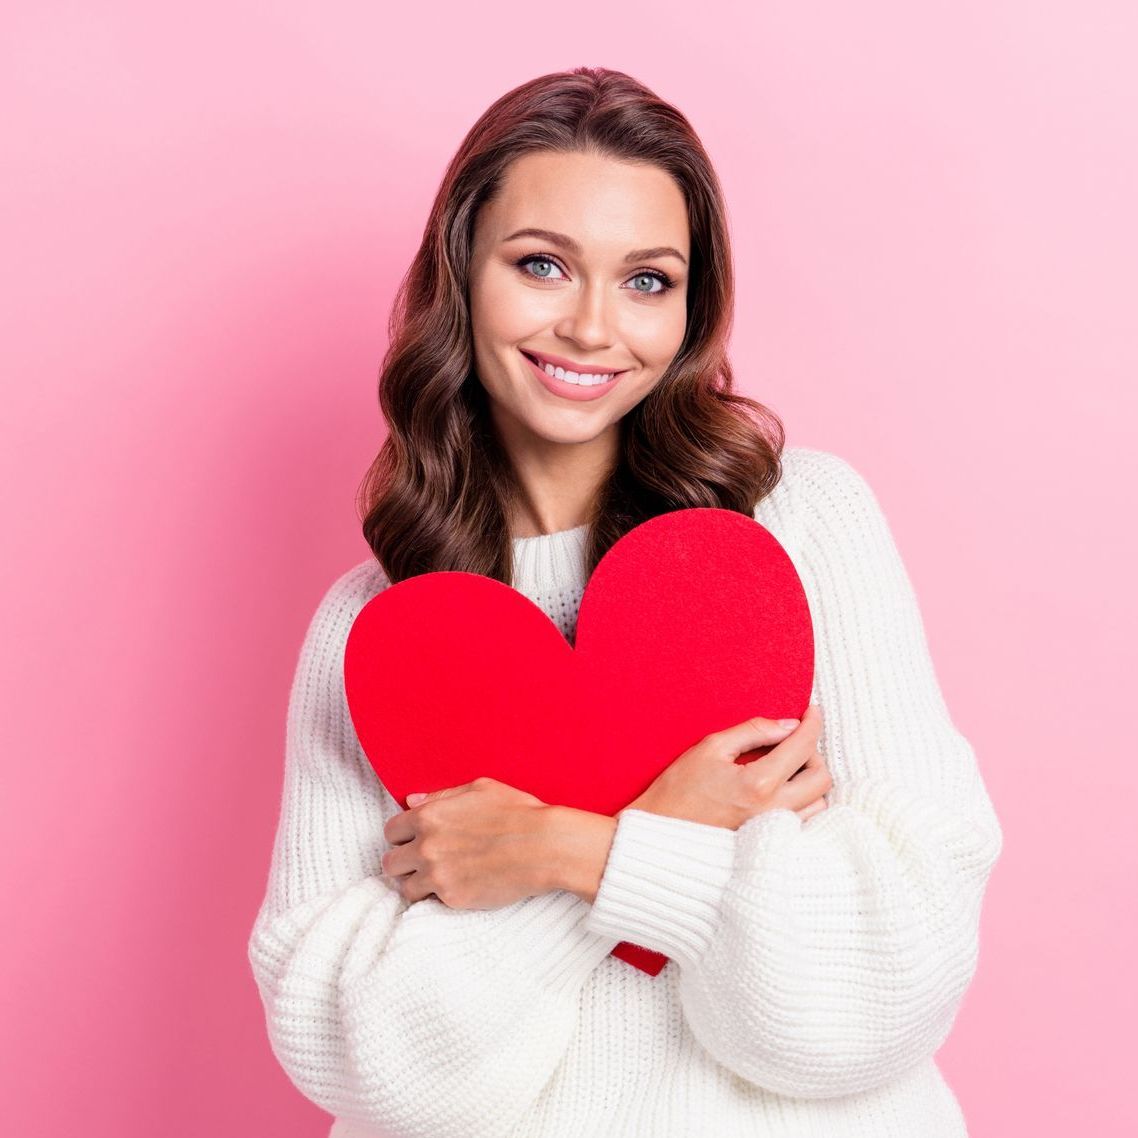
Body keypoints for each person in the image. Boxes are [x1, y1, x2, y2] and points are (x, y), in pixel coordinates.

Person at [247, 67, 1003, 1138]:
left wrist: (565, 849)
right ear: (461, 275)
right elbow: (366, 1062)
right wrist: (687, 828)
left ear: (692, 307)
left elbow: (872, 996)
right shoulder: (378, 629)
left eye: (647, 281)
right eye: (542, 265)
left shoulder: (800, 533)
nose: (594, 328)